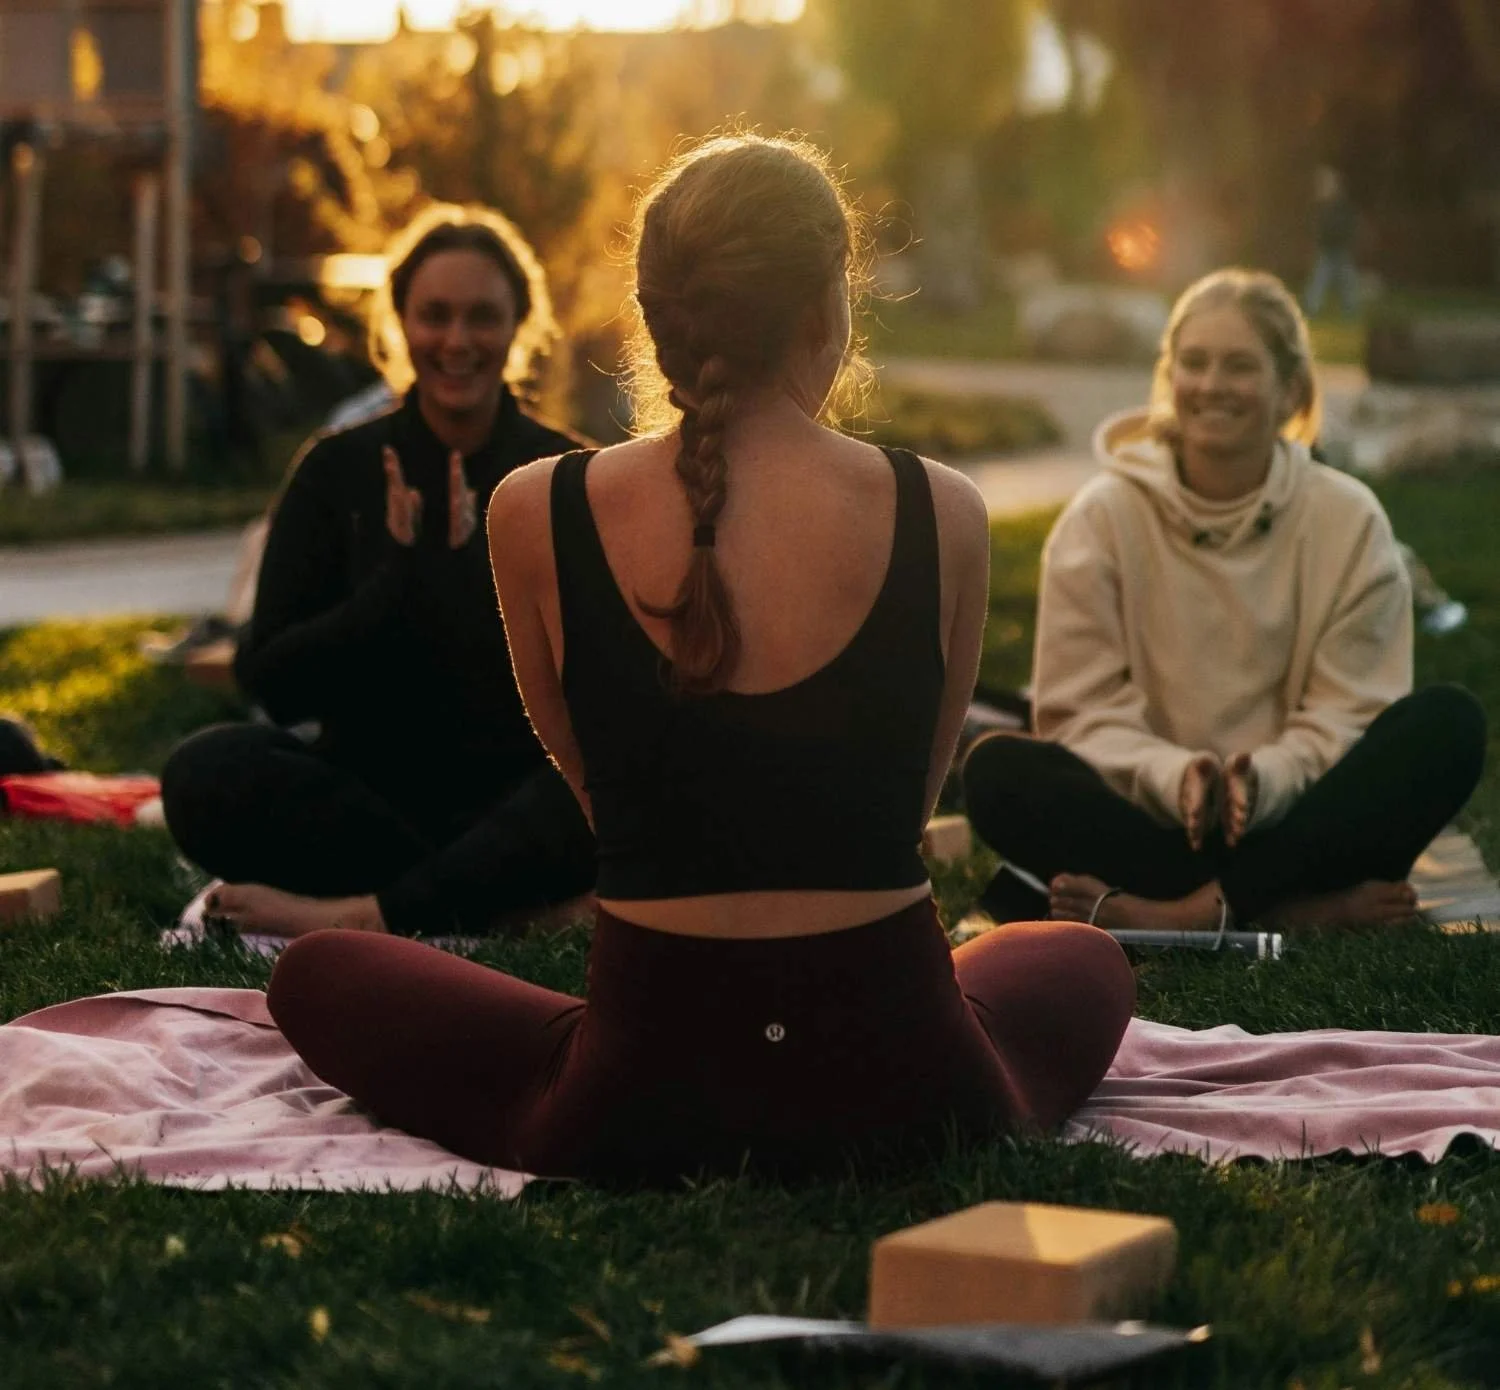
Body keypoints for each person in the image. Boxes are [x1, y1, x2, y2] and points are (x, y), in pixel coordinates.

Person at [262, 134, 1135, 1184]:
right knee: (1077, 953)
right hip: (913, 1080)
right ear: (826, 310)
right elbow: (901, 811)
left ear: (656, 315)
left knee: (317, 974)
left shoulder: (535, 509)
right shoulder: (943, 510)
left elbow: (606, 806)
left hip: (639, 1090)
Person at [963, 268, 1486, 936]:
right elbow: (1080, 710)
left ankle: (1193, 912)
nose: (1212, 385)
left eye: (1239, 366)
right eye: (1195, 363)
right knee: (998, 772)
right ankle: (1290, 908)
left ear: (1290, 389)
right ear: (1169, 378)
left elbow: (1352, 709)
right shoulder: (1100, 519)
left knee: (1447, 725)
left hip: (1303, 811)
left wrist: (1264, 780)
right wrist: (1176, 778)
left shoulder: (1349, 520)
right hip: (1151, 818)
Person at [160, 206, 596, 939]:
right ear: (400, 323)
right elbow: (269, 677)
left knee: (614, 780)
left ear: (520, 325)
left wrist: (466, 581)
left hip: (512, 795)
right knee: (203, 772)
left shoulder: (569, 476)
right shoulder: (336, 471)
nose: (457, 341)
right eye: (435, 316)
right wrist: (395, 584)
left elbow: (593, 695)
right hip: (370, 800)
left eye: (482, 317)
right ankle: (493, 902)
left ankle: (376, 913)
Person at [1304, 167, 1361, 319]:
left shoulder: (1340, 206)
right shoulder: (1324, 207)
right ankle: (1312, 308)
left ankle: (1350, 310)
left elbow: (1348, 225)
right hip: (1328, 249)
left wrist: (1346, 240)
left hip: (1340, 248)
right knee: (1320, 280)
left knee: (1347, 282)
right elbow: (1321, 228)